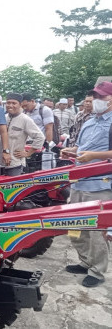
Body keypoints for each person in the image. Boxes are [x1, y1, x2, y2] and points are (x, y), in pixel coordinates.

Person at [60, 81, 112, 288]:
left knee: (95, 231)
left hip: (99, 184)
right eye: (95, 97)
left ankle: (97, 271)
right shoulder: (90, 121)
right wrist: (72, 150)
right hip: (78, 181)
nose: (96, 101)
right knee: (74, 227)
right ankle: (85, 261)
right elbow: (82, 147)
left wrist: (94, 156)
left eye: (101, 97)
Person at [0, 93, 45, 176]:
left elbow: (40, 137)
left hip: (14, 164)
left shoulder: (25, 119)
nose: (10, 105)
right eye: (8, 103)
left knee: (13, 188)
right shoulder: (3, 118)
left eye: (14, 103)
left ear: (20, 104)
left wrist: (28, 153)